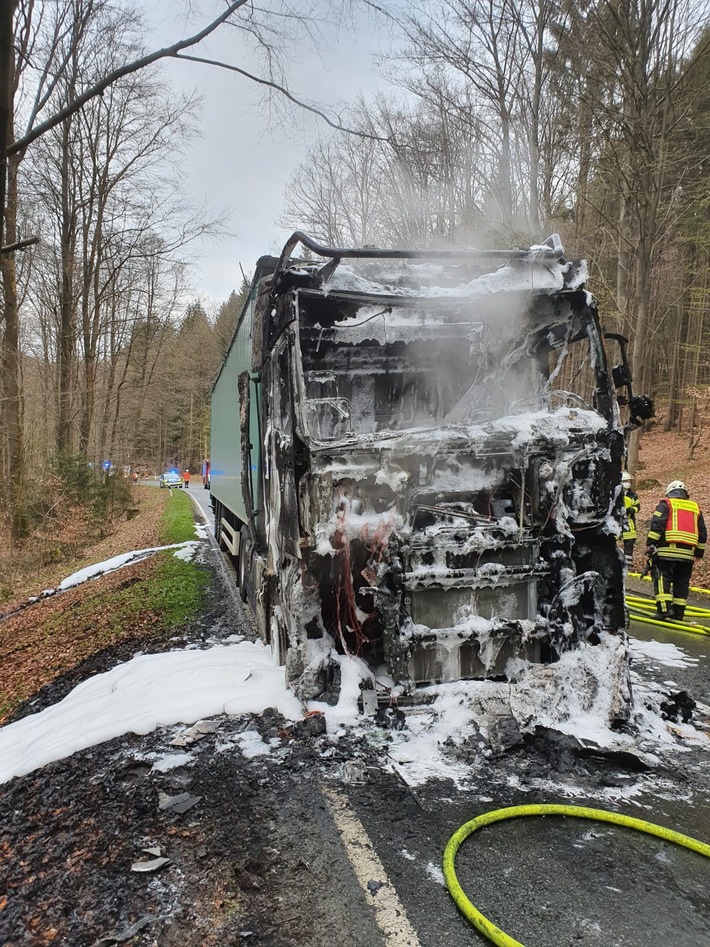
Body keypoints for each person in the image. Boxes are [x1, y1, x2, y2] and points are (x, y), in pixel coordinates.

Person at [645, 480, 707, 621]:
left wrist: (650, 543)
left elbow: (657, 524)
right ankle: (678, 613)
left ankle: (664, 610)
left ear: (669, 492)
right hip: (688, 554)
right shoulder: (695, 508)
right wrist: (699, 554)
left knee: (662, 578)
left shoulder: (666, 504)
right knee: (682, 582)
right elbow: (702, 533)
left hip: (667, 551)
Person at [621, 471, 640, 567]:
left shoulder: (633, 495)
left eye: (628, 481)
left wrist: (631, 510)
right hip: (617, 522)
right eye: (625, 481)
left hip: (629, 522)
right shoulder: (616, 494)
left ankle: (627, 564)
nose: (627, 483)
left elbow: (638, 507)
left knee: (629, 543)